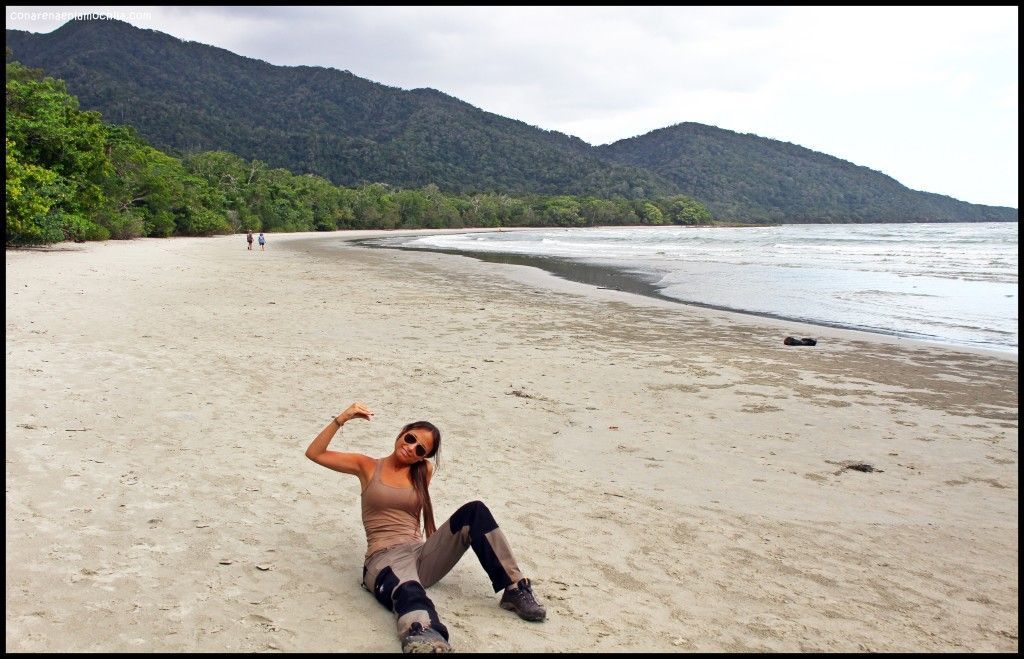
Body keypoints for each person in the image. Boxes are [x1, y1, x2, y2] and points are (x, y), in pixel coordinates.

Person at [304, 402, 546, 654]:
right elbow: (315, 453)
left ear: (424, 457)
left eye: (420, 449)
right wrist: (342, 418)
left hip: (421, 554)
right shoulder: (367, 466)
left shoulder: (423, 471)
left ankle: (515, 588)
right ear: (402, 433)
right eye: (410, 439)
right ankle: (422, 631)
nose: (410, 448)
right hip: (384, 559)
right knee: (409, 590)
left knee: (475, 510)